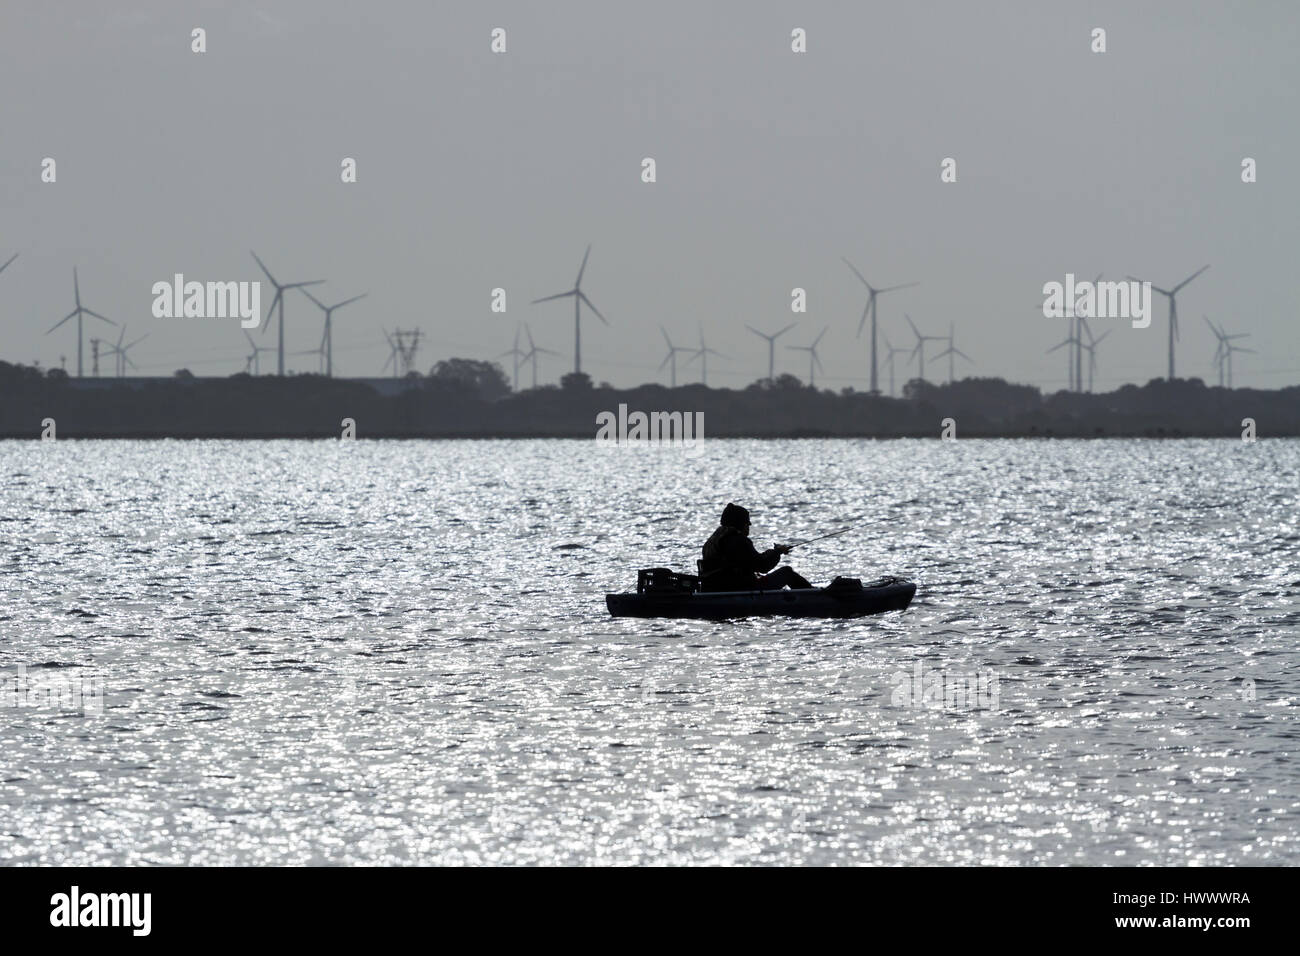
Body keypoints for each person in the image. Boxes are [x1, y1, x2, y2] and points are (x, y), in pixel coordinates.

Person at [699, 502, 813, 592]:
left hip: (715, 589)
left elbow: (750, 562)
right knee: (787, 573)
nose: (749, 526)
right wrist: (777, 552)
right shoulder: (738, 541)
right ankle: (815, 596)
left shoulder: (712, 541)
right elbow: (762, 566)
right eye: (747, 522)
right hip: (740, 589)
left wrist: (774, 552)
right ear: (740, 524)